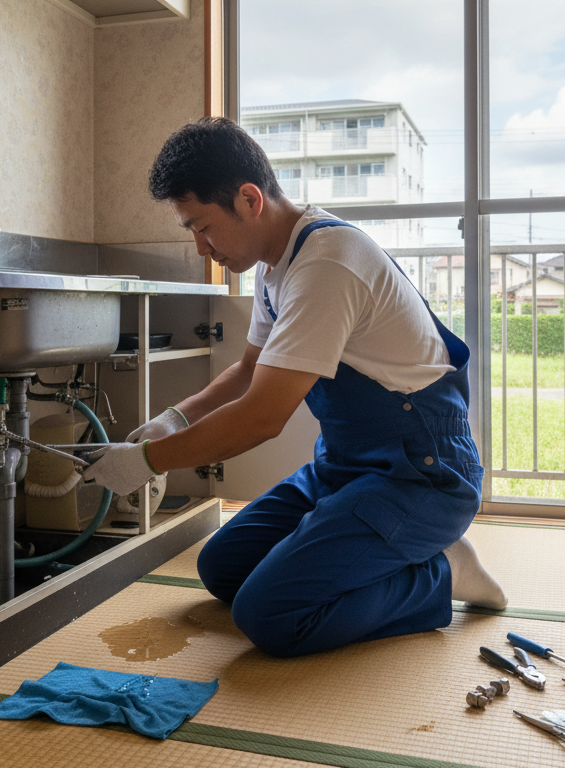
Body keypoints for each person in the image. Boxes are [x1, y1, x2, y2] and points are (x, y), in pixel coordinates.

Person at [83, 116, 505, 658]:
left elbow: (263, 415)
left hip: (421, 476)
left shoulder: (327, 264)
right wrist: (175, 420)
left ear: (250, 199)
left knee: (270, 615)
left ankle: (443, 572)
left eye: (202, 227)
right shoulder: (273, 266)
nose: (200, 248)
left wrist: (149, 460)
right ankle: (384, 550)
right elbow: (247, 371)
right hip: (347, 467)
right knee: (221, 567)